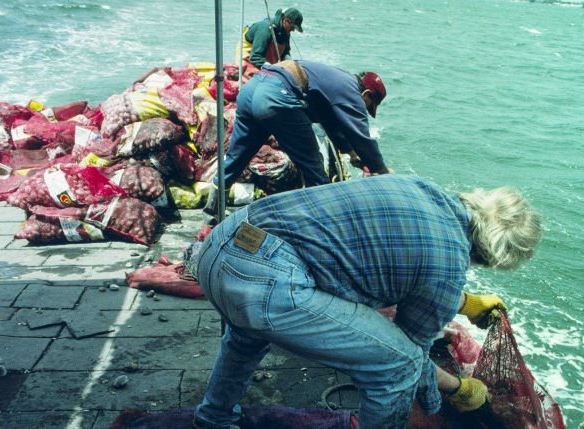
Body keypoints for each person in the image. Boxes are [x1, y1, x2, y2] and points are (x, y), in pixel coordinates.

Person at [193, 174, 542, 429]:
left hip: (221, 249)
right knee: (397, 365)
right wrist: (456, 388)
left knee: (245, 337)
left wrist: (463, 303)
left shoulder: (424, 189)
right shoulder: (448, 269)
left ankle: (213, 417)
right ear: (495, 255)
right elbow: (409, 353)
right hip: (263, 283)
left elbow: (394, 263)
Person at [203, 59, 390, 217]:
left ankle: (212, 213)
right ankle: (321, 223)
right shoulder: (352, 93)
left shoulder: (339, 81)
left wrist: (350, 152)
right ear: (366, 94)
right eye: (368, 106)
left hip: (251, 90)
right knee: (314, 168)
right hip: (275, 98)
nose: (363, 109)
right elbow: (362, 138)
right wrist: (380, 169)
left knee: (236, 159)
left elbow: (332, 124)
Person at [236, 7, 303, 70]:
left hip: (263, 55)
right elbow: (255, 56)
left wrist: (289, 62)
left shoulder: (285, 31)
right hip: (249, 54)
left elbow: (285, 51)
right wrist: (269, 67)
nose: (293, 30)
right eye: (292, 27)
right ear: (286, 21)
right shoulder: (265, 29)